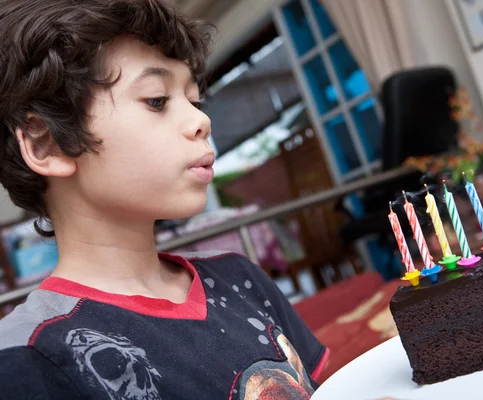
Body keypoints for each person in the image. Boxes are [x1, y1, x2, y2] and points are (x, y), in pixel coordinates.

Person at [0, 1, 329, 399]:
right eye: (157, 100)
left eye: (194, 100)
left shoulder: (242, 278)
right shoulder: (29, 356)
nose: (201, 121)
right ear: (47, 142)